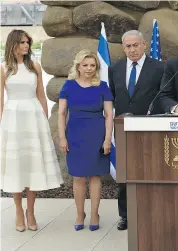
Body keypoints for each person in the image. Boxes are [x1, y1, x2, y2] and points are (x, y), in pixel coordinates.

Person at [0, 29, 63, 232]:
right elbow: (0, 100)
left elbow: (42, 96)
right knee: (17, 166)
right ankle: (18, 209)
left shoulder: (35, 66)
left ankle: (31, 210)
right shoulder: (3, 69)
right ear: (13, 45)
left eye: (28, 42)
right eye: (22, 43)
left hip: (33, 117)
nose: (26, 46)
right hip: (13, 119)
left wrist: (44, 120)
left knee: (33, 164)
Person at [108, 30, 164, 230]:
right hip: (123, 132)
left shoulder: (159, 68)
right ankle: (126, 215)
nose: (132, 49)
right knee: (125, 173)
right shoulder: (114, 68)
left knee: (152, 171)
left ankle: (152, 213)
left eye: (135, 45)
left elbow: (163, 97)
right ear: (123, 48)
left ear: (144, 45)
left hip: (150, 130)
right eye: (128, 46)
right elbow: (115, 98)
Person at [58, 49, 113, 231]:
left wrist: (107, 140)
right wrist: (62, 138)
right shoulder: (68, 86)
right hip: (74, 135)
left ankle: (95, 213)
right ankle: (80, 213)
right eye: (85, 65)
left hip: (96, 135)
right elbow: (61, 113)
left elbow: (108, 115)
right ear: (78, 66)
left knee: (95, 176)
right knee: (79, 177)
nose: (89, 68)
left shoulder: (103, 86)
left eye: (92, 65)